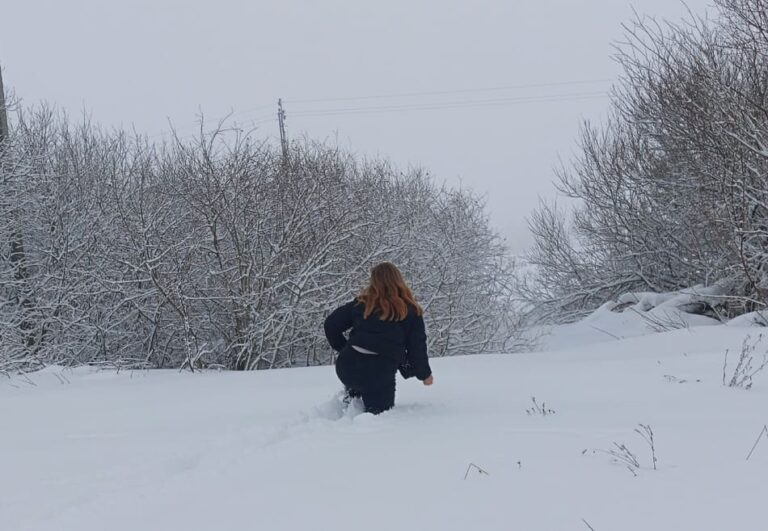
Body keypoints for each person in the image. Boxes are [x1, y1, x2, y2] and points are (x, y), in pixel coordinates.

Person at [324, 262, 433, 414]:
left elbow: (331, 325)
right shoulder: (410, 310)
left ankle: (352, 400)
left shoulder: (361, 303)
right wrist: (425, 375)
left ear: (373, 281)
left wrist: (345, 349)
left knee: (357, 390)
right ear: (399, 281)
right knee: (378, 417)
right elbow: (417, 348)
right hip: (379, 373)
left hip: (348, 366)